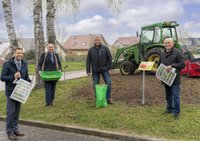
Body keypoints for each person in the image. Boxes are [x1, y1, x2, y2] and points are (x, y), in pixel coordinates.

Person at [1, 47, 31, 140]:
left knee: (17, 112)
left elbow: (26, 76)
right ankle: (9, 132)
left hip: (20, 91)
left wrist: (29, 81)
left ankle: (15, 129)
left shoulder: (25, 64)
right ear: (14, 54)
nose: (20, 55)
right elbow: (2, 77)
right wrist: (13, 76)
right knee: (11, 112)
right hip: (10, 92)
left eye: (21, 53)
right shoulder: (7, 64)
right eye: (18, 53)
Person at [160, 37, 185, 120]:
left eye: (169, 42)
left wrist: (172, 66)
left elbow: (182, 64)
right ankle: (169, 109)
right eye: (166, 43)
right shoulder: (162, 53)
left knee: (175, 95)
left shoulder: (178, 53)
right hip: (166, 78)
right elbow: (160, 64)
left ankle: (176, 112)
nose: (167, 44)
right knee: (168, 95)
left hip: (174, 78)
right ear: (164, 44)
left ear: (172, 43)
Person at [86, 36, 113, 104]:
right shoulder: (91, 50)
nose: (97, 41)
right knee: (95, 84)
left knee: (108, 82)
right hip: (95, 70)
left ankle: (108, 98)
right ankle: (97, 98)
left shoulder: (105, 48)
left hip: (104, 69)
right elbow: (88, 61)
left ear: (101, 41)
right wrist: (88, 71)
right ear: (94, 41)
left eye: (98, 40)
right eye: (96, 40)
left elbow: (110, 58)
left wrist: (110, 68)